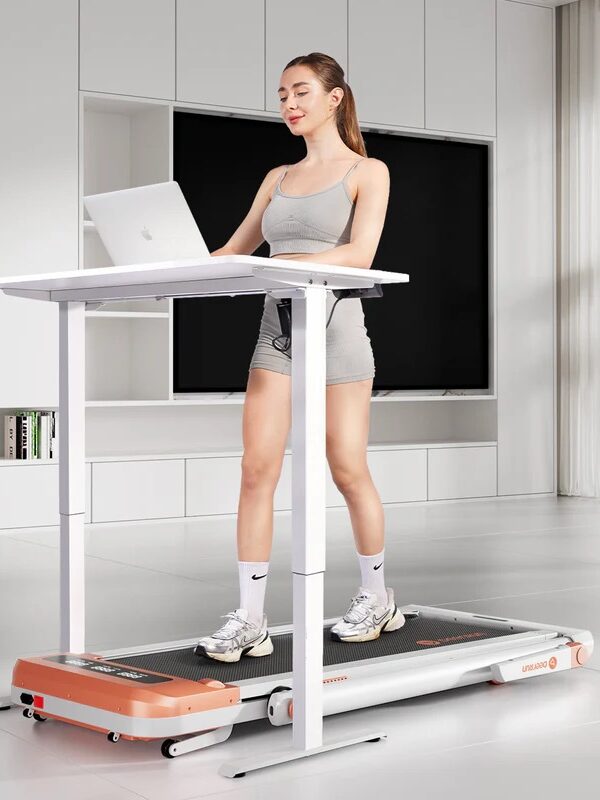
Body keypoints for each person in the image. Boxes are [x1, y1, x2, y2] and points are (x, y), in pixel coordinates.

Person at [195, 52, 405, 663]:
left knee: (347, 468)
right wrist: (168, 260)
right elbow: (235, 250)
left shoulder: (369, 171)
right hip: (277, 334)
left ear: (335, 97)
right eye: (282, 93)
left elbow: (362, 254)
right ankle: (251, 619)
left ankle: (376, 595)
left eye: (302, 91)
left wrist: (285, 264)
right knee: (256, 469)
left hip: (338, 330)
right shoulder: (277, 178)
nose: (289, 103)